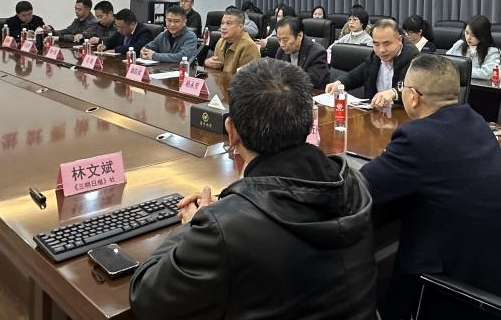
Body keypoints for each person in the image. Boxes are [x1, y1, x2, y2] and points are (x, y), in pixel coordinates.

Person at [129, 58, 377, 320]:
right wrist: (226, 212)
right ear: (308, 124)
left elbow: (146, 298)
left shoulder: (225, 228)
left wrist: (193, 226)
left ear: (231, 131)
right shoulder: (353, 182)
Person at [361, 55, 501, 319]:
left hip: (458, 290)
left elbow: (363, 186)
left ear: (413, 97)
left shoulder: (417, 138)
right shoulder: (477, 121)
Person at [326, 19, 419, 109]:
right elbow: (357, 74)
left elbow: (418, 90)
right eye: (376, 44)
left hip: (403, 114)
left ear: (399, 39)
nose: (381, 50)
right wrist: (340, 83)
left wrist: (394, 93)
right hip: (375, 112)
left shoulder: (414, 60)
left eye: (386, 44)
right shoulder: (375, 57)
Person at [274, 17, 330, 88]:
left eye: (285, 40)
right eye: (279, 39)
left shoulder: (317, 52)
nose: (282, 44)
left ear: (299, 36)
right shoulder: (281, 51)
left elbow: (312, 81)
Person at [204, 8, 259, 74]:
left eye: (228, 23)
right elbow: (215, 71)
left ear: (240, 27)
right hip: (220, 79)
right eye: (222, 23)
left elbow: (247, 77)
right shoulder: (221, 41)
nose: (223, 27)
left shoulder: (249, 46)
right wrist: (207, 63)